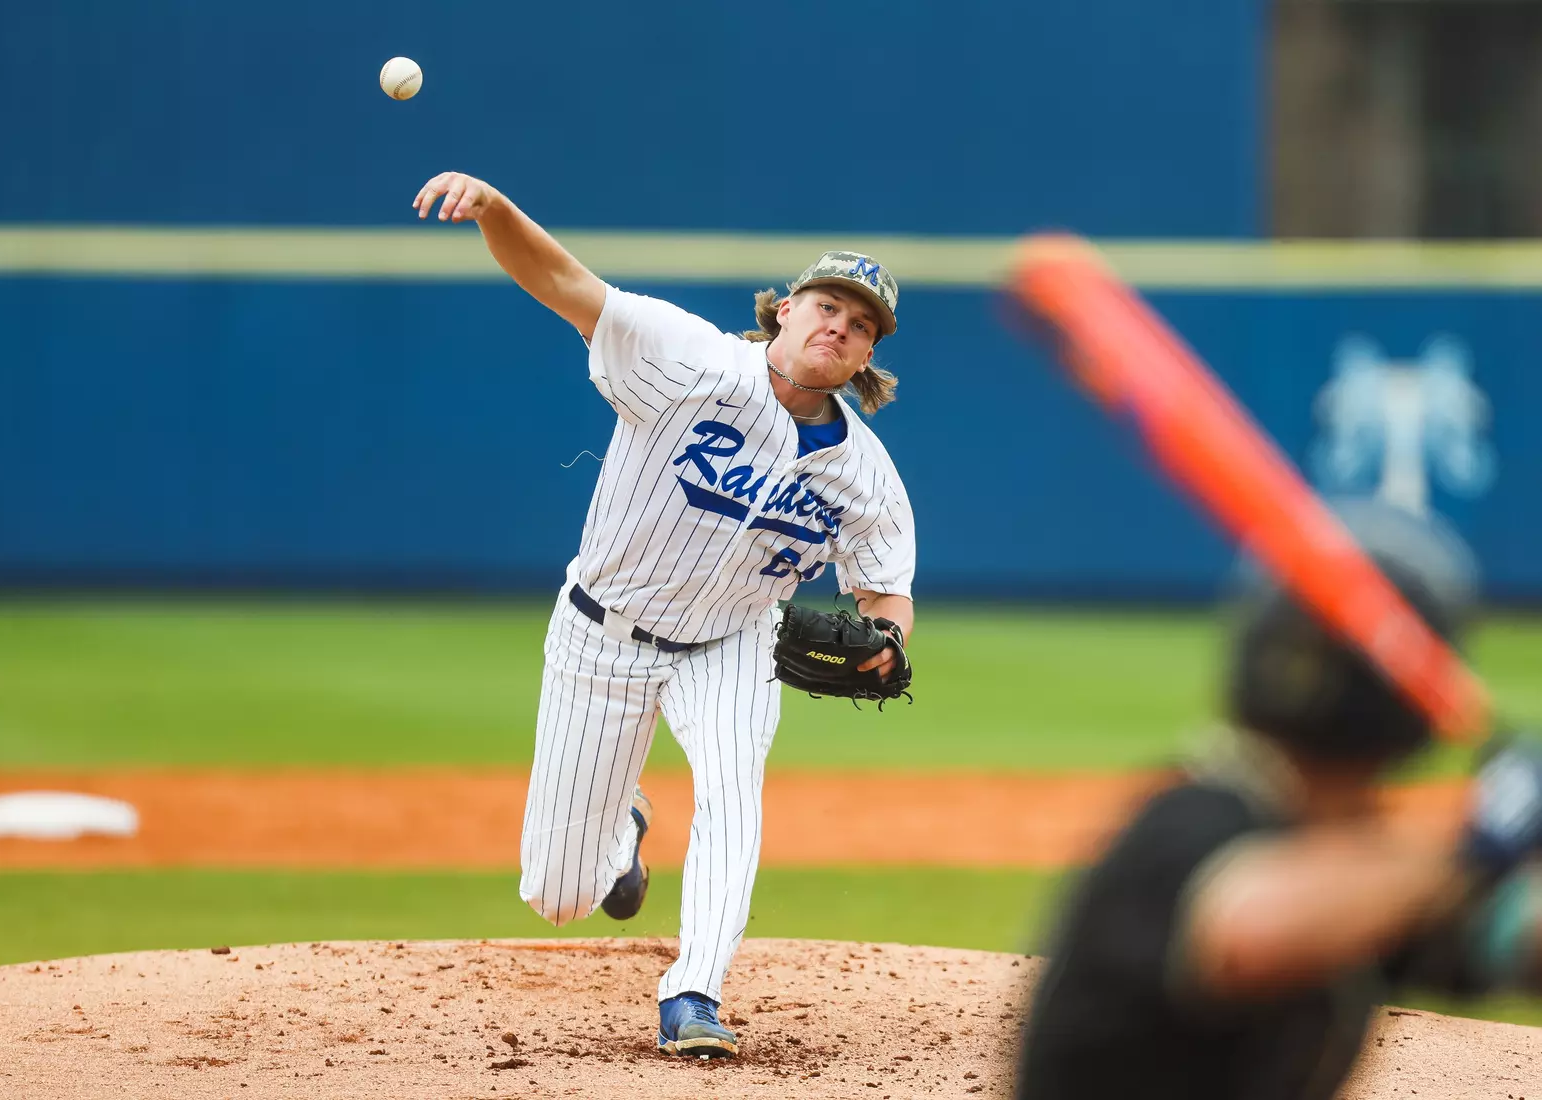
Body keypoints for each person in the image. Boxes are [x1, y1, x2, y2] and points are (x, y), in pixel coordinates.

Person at [413, 171, 917, 1058]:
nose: (840, 325)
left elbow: (884, 590)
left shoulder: (867, 474)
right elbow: (562, 282)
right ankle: (621, 837)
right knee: (560, 893)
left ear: (866, 356)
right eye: (828, 305)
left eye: (862, 322)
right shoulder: (686, 357)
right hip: (599, 633)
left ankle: (694, 992)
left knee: (733, 789)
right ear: (786, 312)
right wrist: (495, 209)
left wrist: (884, 642)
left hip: (733, 643)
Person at [1015, 502, 1542, 1100]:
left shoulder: (1365, 879)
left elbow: (1514, 935)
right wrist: (1487, 835)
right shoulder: (1188, 823)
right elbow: (1246, 935)